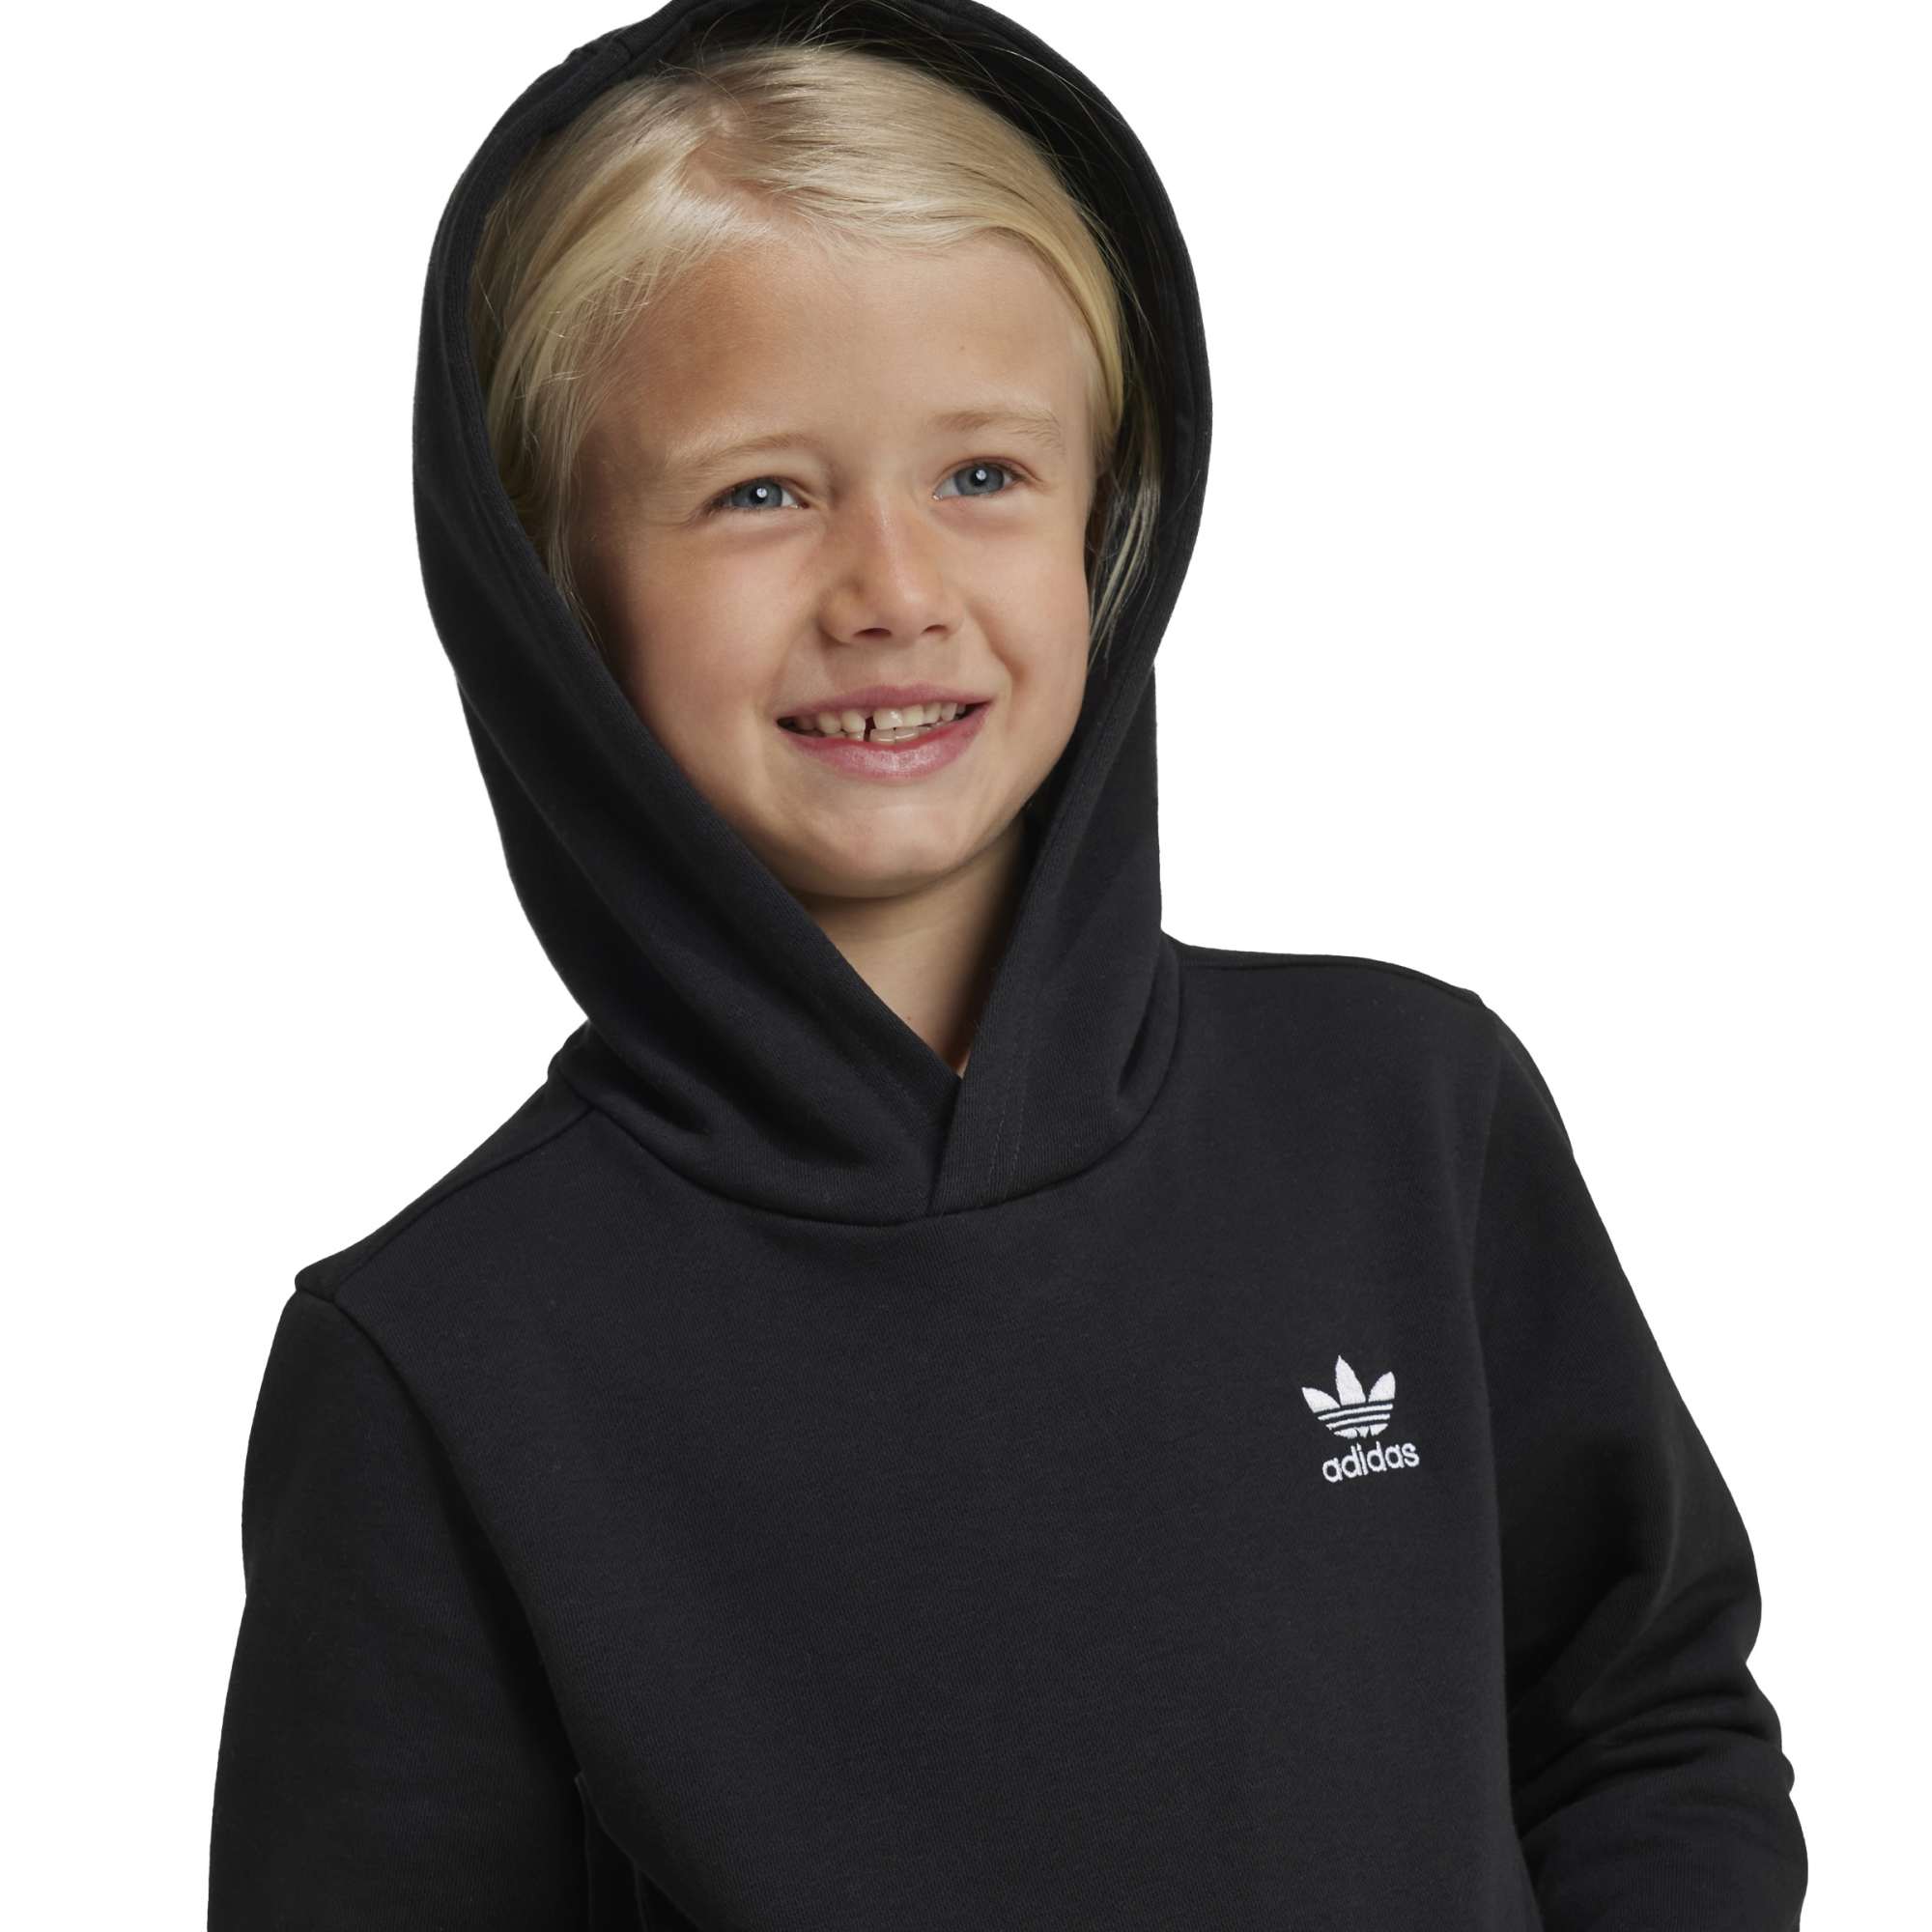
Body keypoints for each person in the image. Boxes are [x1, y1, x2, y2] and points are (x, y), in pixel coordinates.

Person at [207, 2, 1808, 1925]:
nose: (892, 591)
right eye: (759, 491)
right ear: (550, 586)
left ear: (1113, 519)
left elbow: (1641, 1727)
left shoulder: (1406, 1117)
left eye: (981, 474)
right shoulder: (440, 1359)